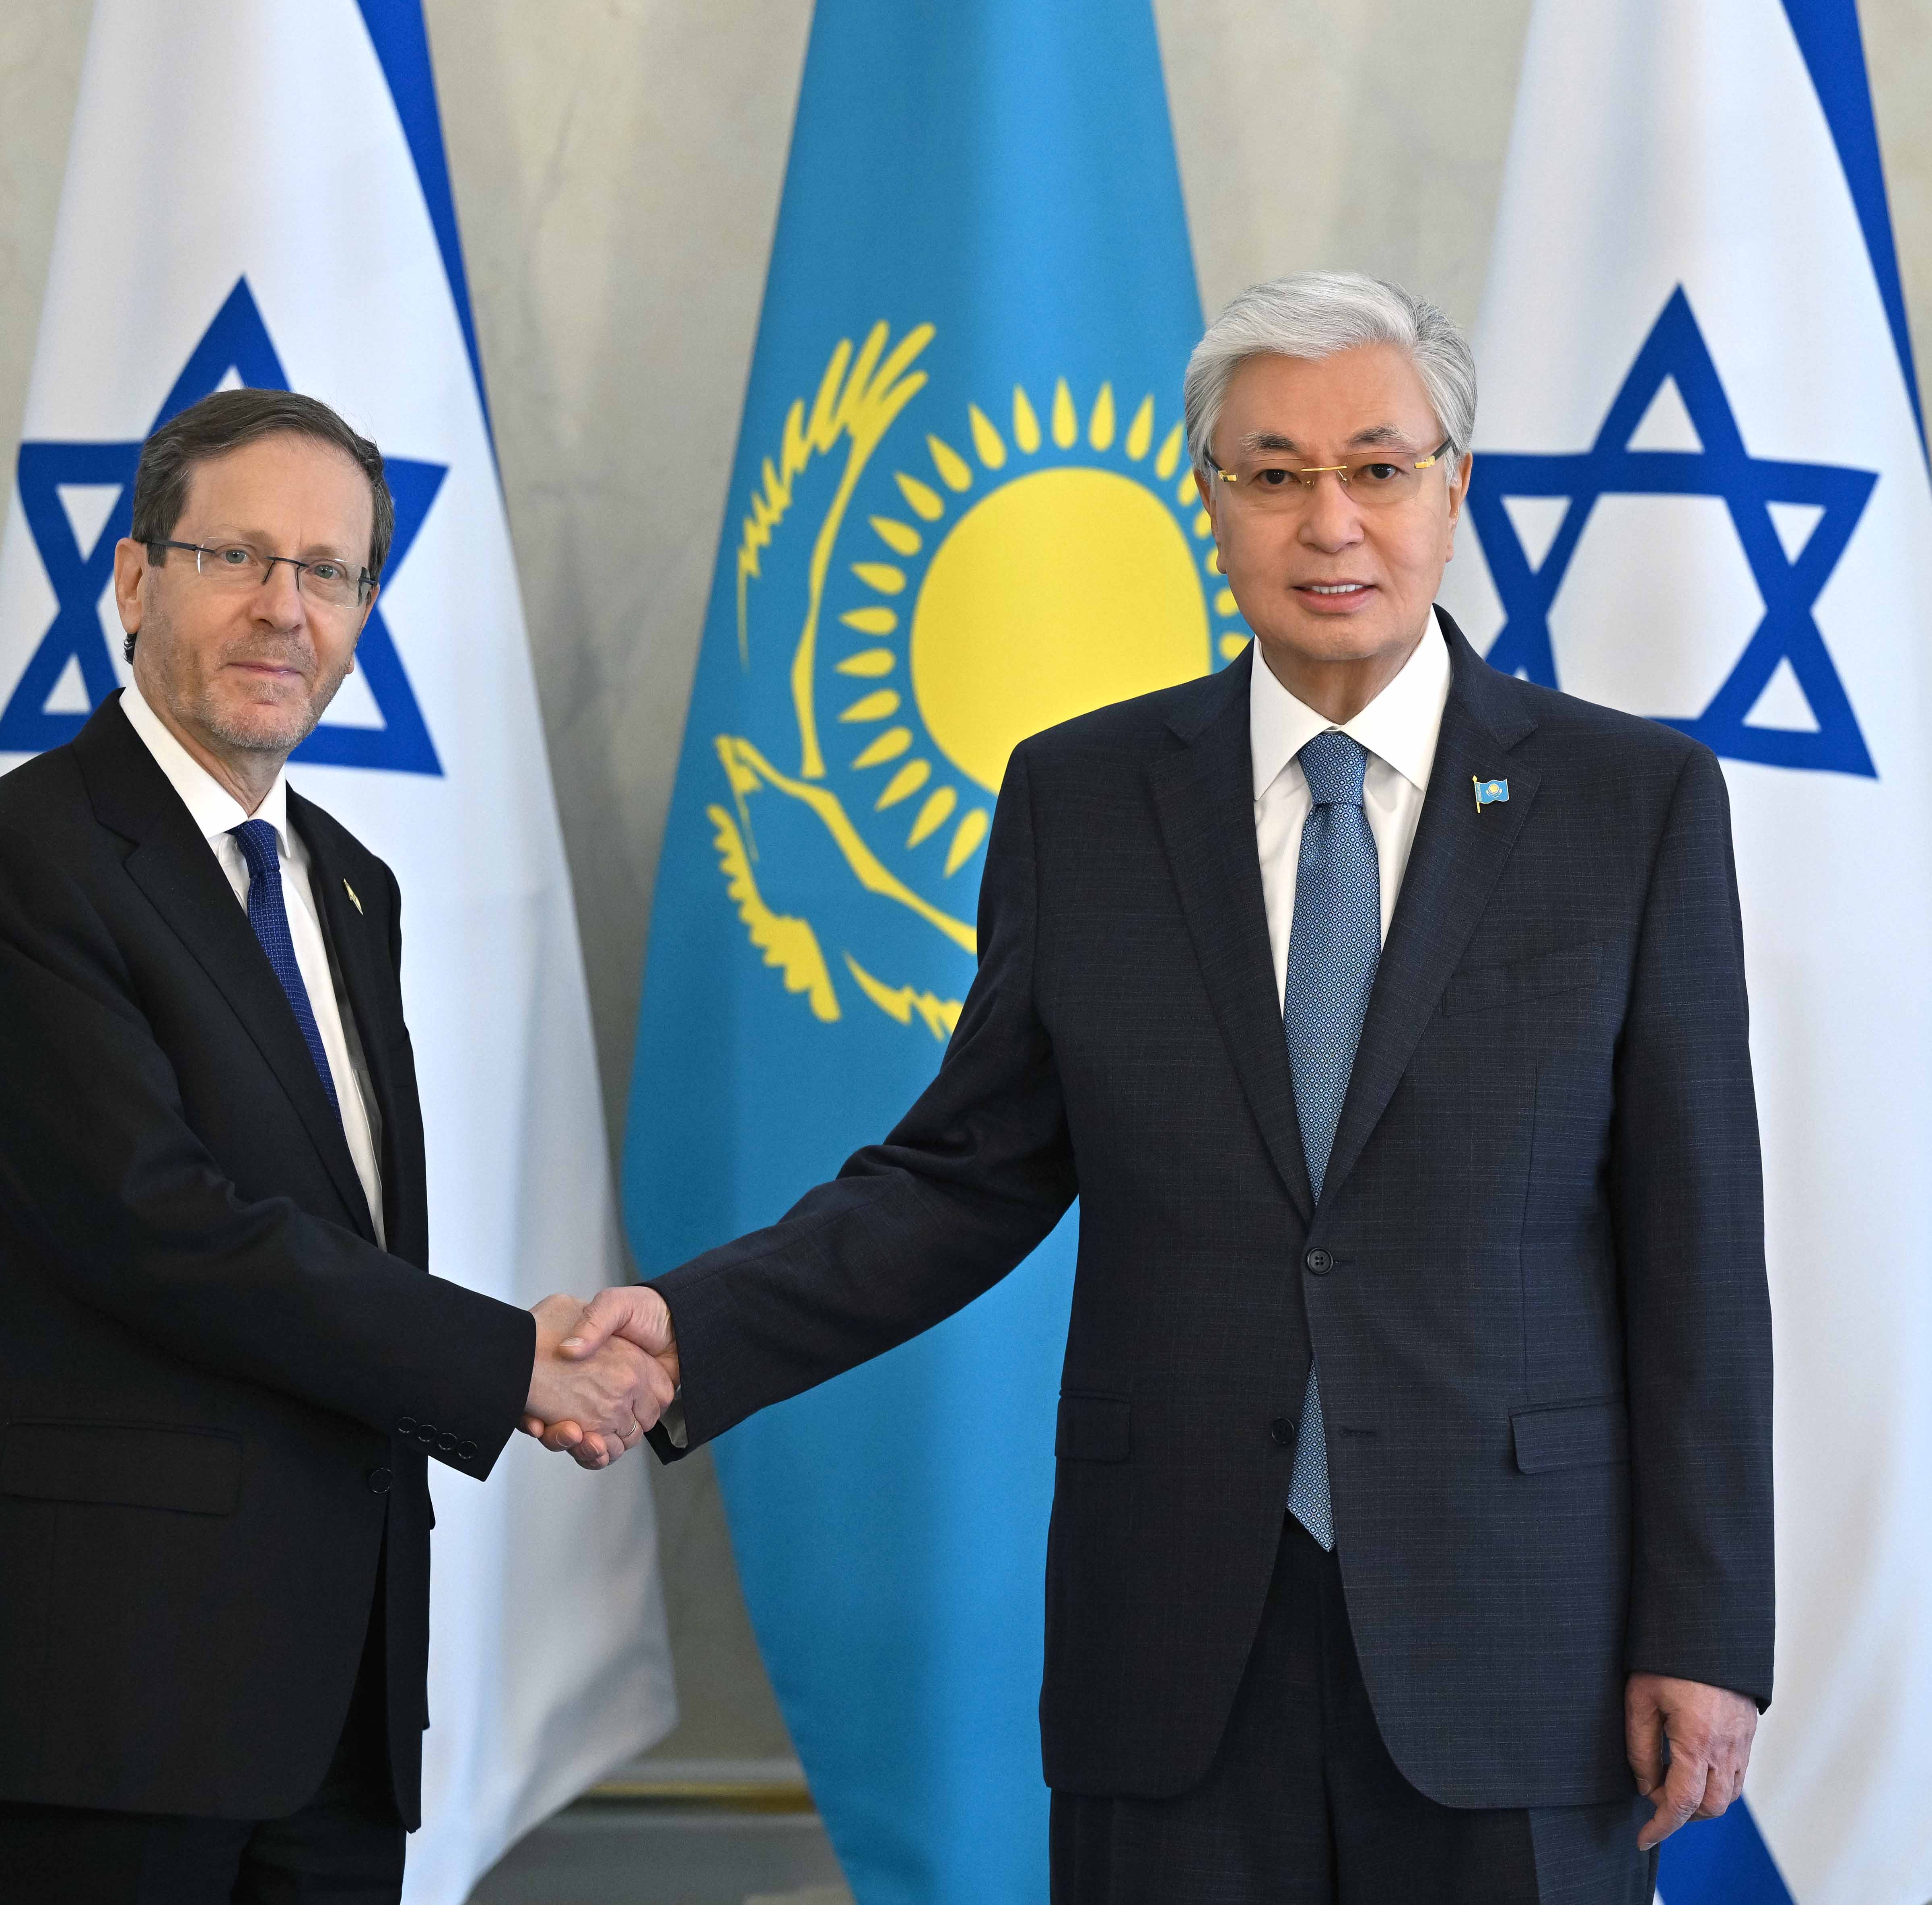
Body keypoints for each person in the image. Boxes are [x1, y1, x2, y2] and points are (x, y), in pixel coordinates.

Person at [541, 274, 1774, 1903]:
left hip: (1516, 1637)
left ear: (1452, 487)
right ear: (1209, 500)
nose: (1327, 520)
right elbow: (963, 1173)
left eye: (1376, 468)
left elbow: (1697, 1251)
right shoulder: (1085, 798)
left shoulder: (1629, 802)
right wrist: (690, 1329)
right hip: (1179, 1637)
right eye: (1272, 473)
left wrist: (1705, 1625)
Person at [0, 388, 674, 1905]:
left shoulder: (347, 884)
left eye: (329, 571)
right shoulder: (18, 862)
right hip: (101, 1687)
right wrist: (507, 1360)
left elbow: (335, 1241)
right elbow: (157, 1224)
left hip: (332, 1693)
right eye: (237, 557)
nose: (286, 608)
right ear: (135, 580)